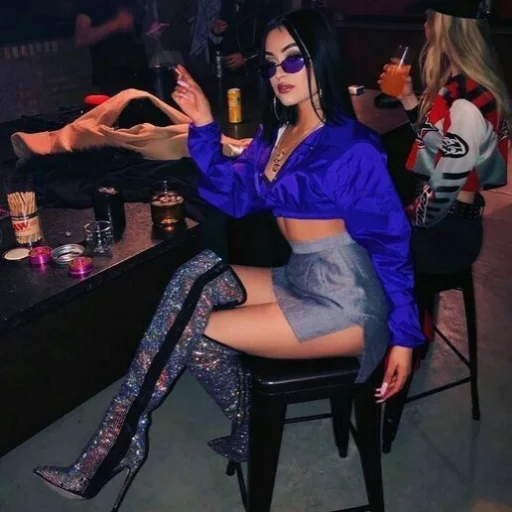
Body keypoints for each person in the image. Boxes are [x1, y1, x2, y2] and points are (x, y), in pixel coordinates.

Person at [33, 9, 424, 511]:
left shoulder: (354, 148)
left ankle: (117, 442)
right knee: (193, 276)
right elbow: (236, 197)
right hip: (300, 274)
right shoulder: (279, 135)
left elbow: (391, 244)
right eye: (270, 63)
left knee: (195, 327)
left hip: (348, 299)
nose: (279, 74)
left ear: (320, 60)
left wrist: (405, 337)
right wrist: (202, 124)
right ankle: (222, 426)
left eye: (292, 60)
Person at [386, 0, 510, 275]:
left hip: (444, 235)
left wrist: (401, 219)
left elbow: (441, 194)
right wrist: (408, 99)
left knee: (359, 246)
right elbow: (438, 149)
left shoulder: (465, 102)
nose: (425, 26)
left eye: (429, 18)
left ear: (444, 26)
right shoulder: (462, 86)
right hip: (447, 224)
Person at [76, 0, 149, 95]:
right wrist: (115, 24)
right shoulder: (91, 3)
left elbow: (136, 32)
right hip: (111, 80)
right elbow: (81, 38)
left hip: (141, 74)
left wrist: (150, 32)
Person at [212, 0, 277, 74]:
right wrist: (216, 31)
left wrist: (245, 57)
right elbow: (232, 34)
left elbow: (272, 43)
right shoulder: (228, 6)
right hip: (230, 71)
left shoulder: (266, 7)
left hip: (255, 72)